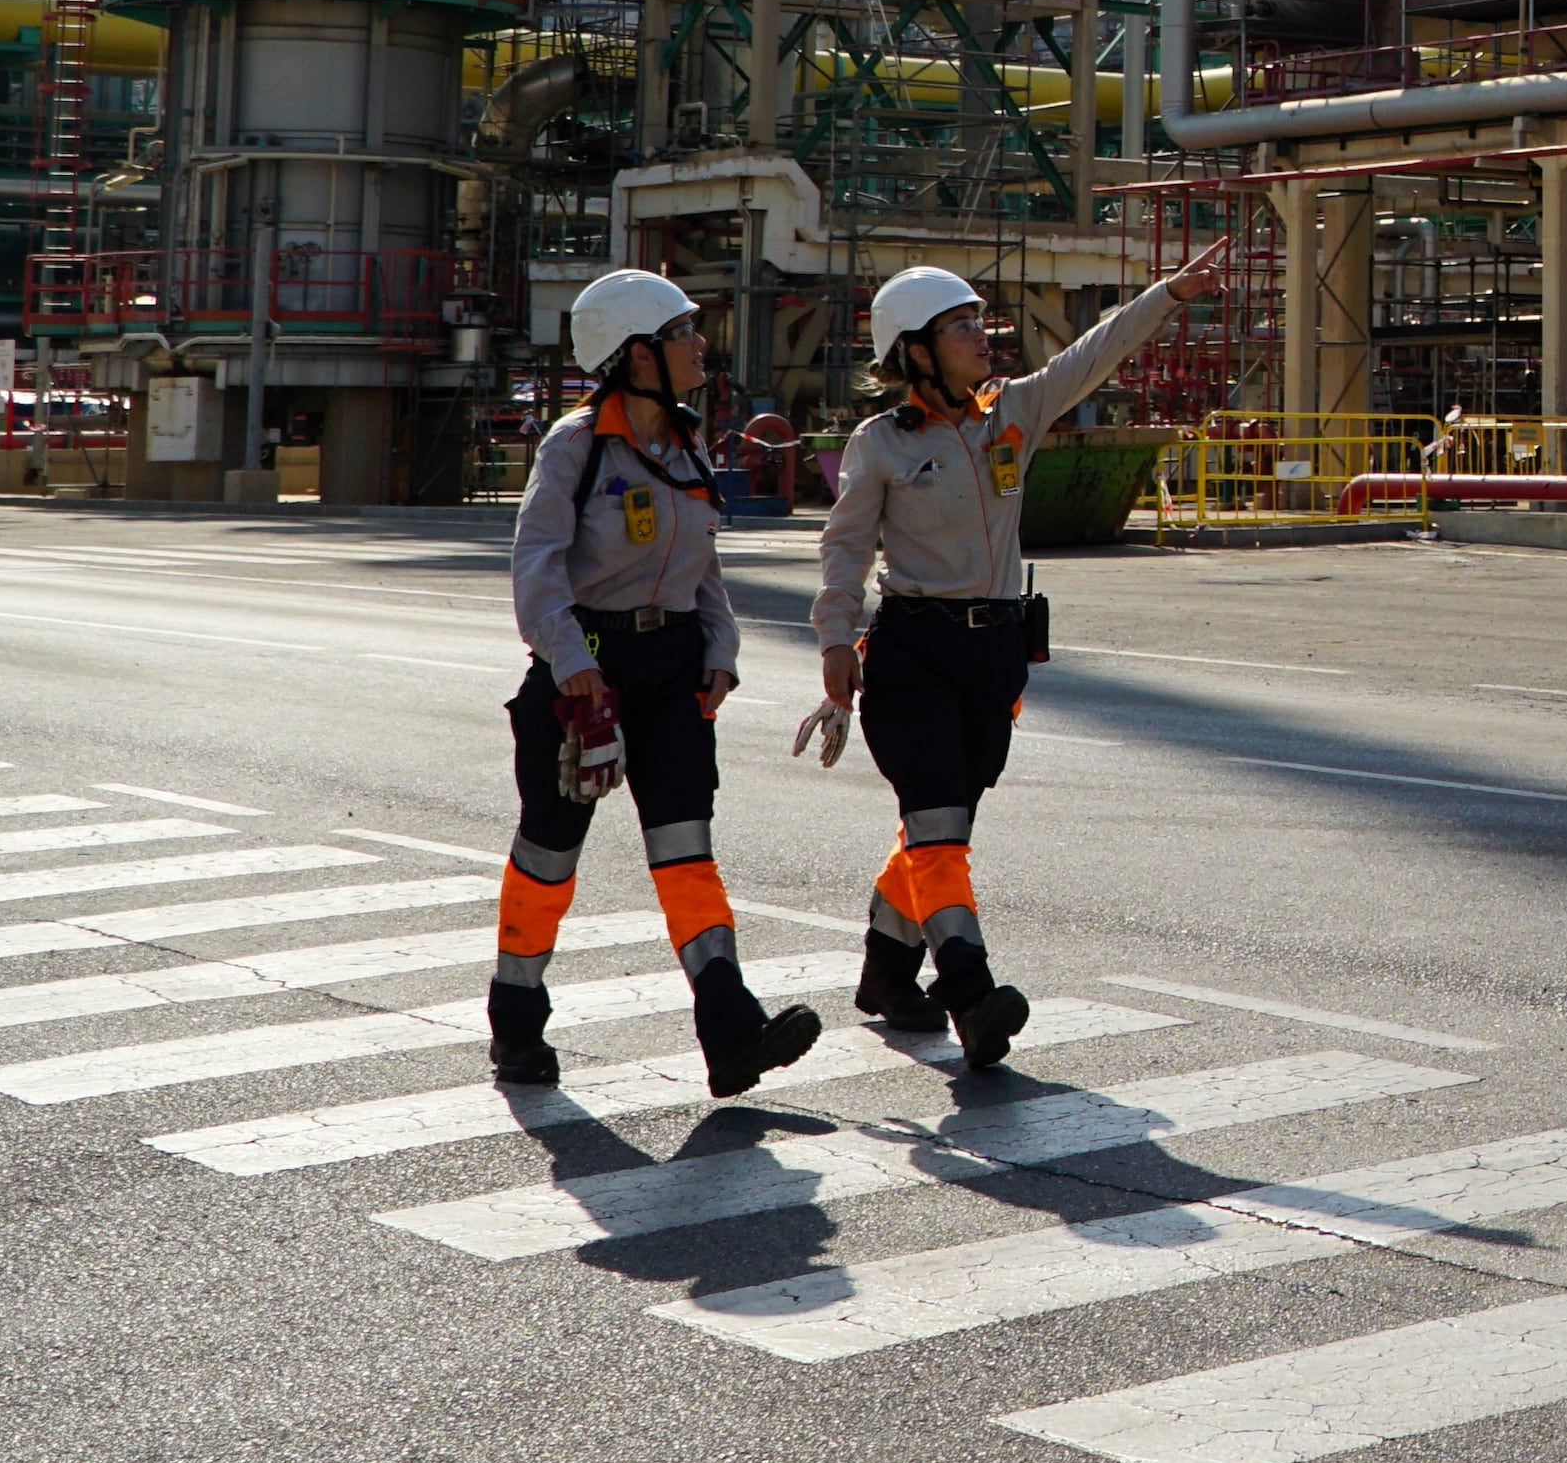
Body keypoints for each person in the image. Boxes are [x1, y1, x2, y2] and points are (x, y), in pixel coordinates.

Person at [799, 251, 1215, 1068]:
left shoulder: (1011, 412)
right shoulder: (879, 443)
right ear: (916, 350)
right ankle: (972, 994)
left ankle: (887, 974)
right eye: (962, 327)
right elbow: (843, 551)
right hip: (913, 649)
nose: (982, 337)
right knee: (940, 831)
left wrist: (1168, 295)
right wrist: (834, 640)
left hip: (993, 653)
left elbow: (1092, 353)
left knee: (940, 823)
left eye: (978, 322)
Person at [486, 268, 823, 1099]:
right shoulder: (576, 446)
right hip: (586, 672)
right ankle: (515, 1016)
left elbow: (702, 563)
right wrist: (576, 671)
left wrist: (722, 644)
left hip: (672, 667)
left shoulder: (686, 443)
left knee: (686, 846)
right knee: (549, 850)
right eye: (682, 333)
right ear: (636, 355)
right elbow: (535, 570)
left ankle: (728, 1024)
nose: (699, 344)